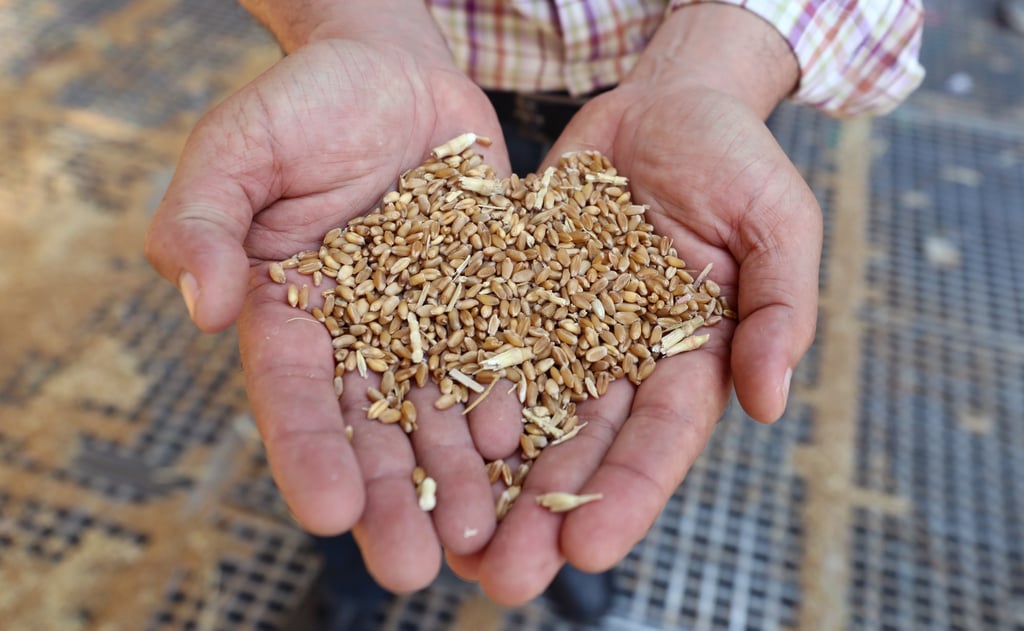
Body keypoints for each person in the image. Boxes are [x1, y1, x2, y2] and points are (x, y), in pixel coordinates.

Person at [145, 0, 924, 624]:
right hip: (376, 105)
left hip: (669, 115)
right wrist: (350, 20)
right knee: (363, 439)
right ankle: (356, 589)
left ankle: (577, 569)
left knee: (603, 440)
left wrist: (720, 66)